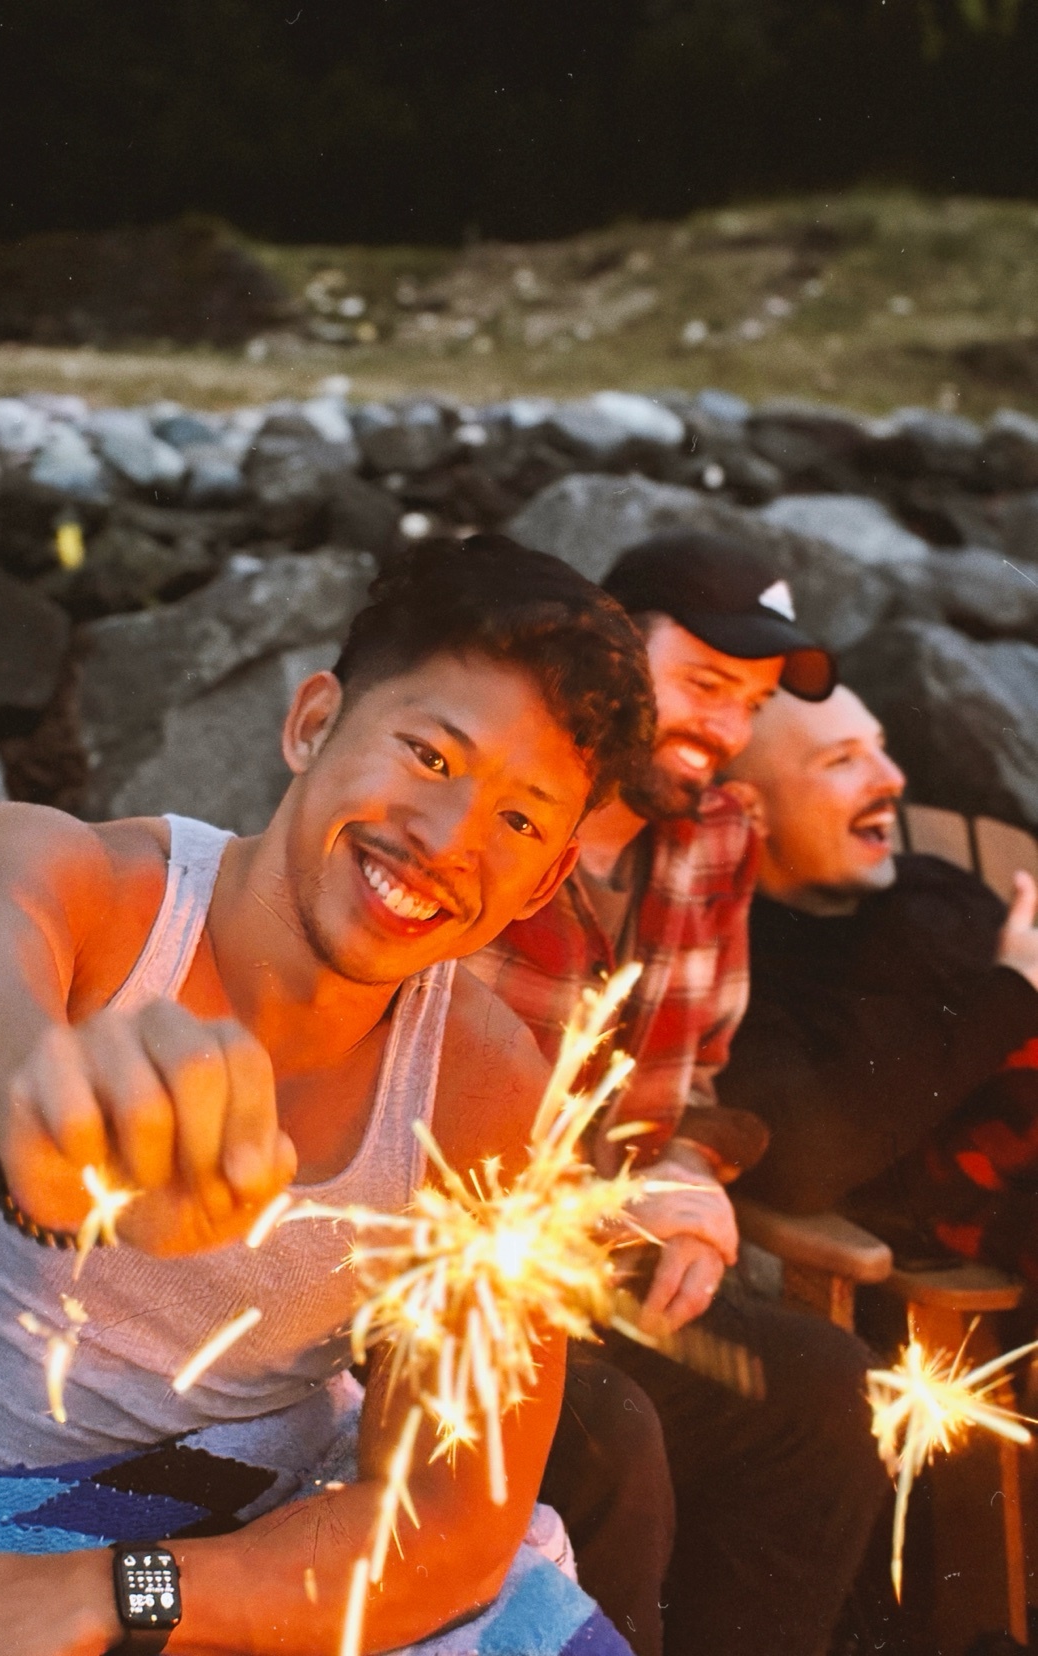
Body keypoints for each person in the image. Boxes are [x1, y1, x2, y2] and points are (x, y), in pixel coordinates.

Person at [0, 537, 657, 1656]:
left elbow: (450, 1520)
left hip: (235, 1562)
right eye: (429, 757)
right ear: (312, 722)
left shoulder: (482, 1089)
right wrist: (43, 1111)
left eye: (520, 821)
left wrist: (118, 1593)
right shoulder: (91, 895)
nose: (446, 842)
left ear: (550, 879)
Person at [470, 531, 888, 1656]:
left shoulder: (716, 835)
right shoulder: (488, 826)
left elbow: (697, 1075)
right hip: (450, 1297)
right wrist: (614, 1198)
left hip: (609, 1292)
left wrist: (690, 1171)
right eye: (704, 685)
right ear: (607, 647)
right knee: (610, 1437)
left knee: (821, 1387)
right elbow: (411, 1119)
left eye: (749, 704)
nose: (724, 730)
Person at [720, 683, 1038, 1284]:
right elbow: (800, 1165)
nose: (892, 777)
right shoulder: (747, 967)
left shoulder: (933, 890)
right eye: (842, 760)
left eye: (881, 749)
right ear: (748, 809)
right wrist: (1014, 991)